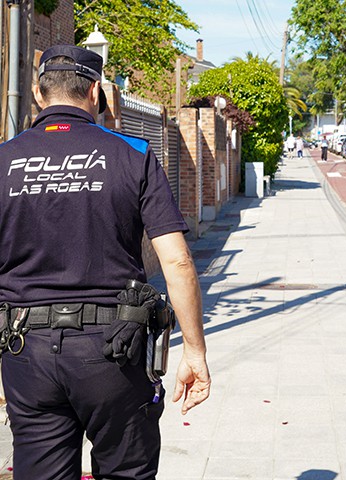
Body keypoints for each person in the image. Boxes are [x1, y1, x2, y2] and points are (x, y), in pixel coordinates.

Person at [0, 45, 211, 480]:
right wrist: (195, 350)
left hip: (26, 349)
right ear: (95, 92)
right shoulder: (132, 153)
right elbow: (177, 262)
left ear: (39, 94)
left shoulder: (3, 160)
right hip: (114, 351)